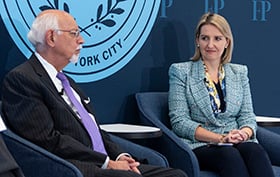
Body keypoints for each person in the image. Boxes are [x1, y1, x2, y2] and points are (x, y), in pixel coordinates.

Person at [1, 10, 187, 177]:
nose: (81, 40)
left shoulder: (66, 81)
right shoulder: (23, 79)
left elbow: (94, 130)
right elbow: (47, 140)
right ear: (51, 38)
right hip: (73, 167)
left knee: (175, 174)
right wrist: (107, 163)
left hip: (101, 162)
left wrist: (120, 156)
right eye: (74, 33)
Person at [168, 13, 275, 177]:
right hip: (201, 143)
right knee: (229, 156)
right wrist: (220, 138)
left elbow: (247, 116)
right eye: (205, 38)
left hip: (236, 139)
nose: (210, 44)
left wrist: (243, 133)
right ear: (197, 40)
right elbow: (179, 122)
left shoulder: (239, 72)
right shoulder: (181, 72)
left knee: (255, 150)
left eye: (217, 38)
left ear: (227, 42)